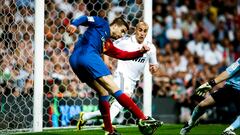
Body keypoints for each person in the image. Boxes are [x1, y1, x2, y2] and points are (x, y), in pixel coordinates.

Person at [67, 15, 161, 135]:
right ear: (115, 25)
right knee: (115, 89)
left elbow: (123, 55)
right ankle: (143, 118)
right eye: (122, 31)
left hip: (74, 61)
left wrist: (140, 52)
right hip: (88, 55)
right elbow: (85, 18)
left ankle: (109, 130)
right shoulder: (102, 23)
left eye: (125, 33)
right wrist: (74, 24)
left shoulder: (107, 44)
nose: (122, 35)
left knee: (103, 92)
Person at [180, 58, 240, 135]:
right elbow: (228, 72)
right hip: (231, 87)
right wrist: (211, 84)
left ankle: (228, 130)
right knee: (202, 105)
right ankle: (191, 123)